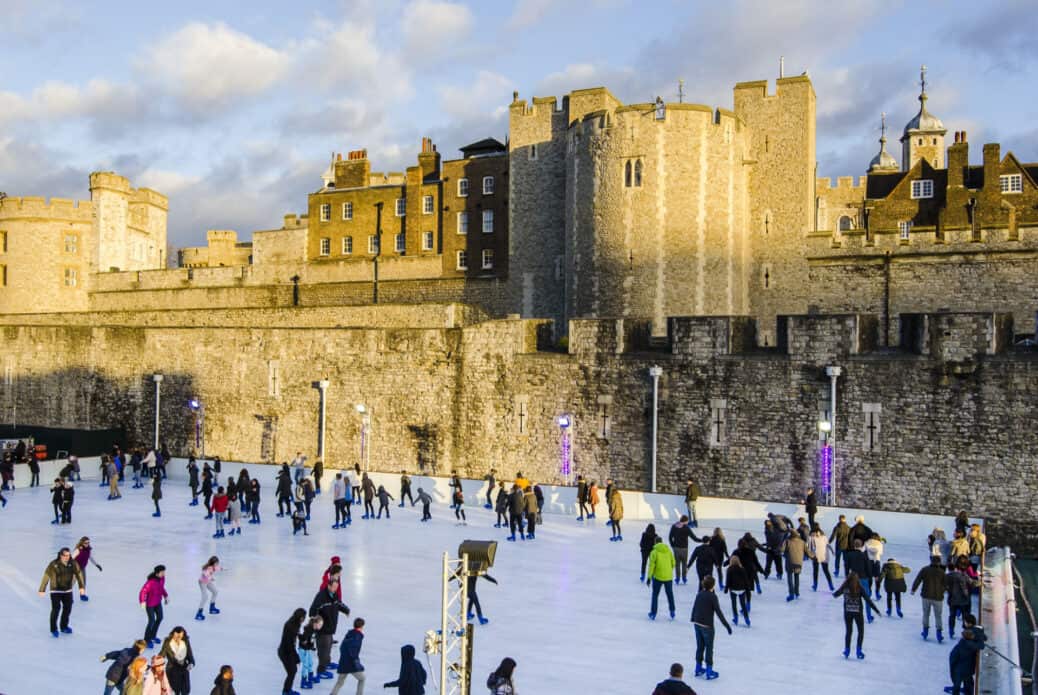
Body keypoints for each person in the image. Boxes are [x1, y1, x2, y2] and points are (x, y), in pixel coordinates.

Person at [690, 576, 732, 680]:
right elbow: (718, 612)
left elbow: (694, 607)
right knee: (709, 648)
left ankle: (698, 668)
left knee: (700, 646)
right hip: (707, 626)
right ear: (713, 585)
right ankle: (709, 671)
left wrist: (693, 619)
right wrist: (727, 626)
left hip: (697, 624)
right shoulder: (713, 597)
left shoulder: (699, 594)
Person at [38, 547, 85, 636]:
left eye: (69, 555)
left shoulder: (73, 563)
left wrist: (81, 587)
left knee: (67, 609)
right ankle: (53, 629)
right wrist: (42, 589)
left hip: (67, 590)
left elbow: (79, 574)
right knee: (56, 609)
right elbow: (46, 576)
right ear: (60, 555)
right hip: (55, 591)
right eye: (65, 555)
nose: (67, 557)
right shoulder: (54, 564)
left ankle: (64, 627)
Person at [833, 571, 880, 659]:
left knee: (849, 631)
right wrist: (876, 610)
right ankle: (858, 651)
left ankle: (847, 650)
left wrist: (833, 593)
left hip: (847, 613)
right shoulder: (859, 588)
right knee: (860, 632)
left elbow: (836, 595)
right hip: (858, 613)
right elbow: (868, 600)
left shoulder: (845, 587)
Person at [309, 579, 351, 677]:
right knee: (323, 650)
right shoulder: (321, 597)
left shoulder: (334, 595)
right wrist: (316, 622)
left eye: (336, 587)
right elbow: (312, 611)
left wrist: (346, 610)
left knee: (328, 647)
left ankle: (327, 663)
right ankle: (321, 670)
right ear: (328, 586)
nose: (335, 589)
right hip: (322, 629)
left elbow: (339, 603)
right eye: (333, 587)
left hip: (330, 627)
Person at [946, 615, 986, 695]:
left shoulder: (964, 643)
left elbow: (954, 656)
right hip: (970, 666)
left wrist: (953, 665)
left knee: (957, 683)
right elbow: (982, 642)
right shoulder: (978, 633)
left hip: (961, 667)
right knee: (968, 682)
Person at [911, 555, 947, 642]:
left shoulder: (925, 569)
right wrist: (942, 591)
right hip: (938, 597)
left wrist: (913, 589)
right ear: (939, 562)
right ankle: (939, 634)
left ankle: (925, 631)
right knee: (938, 616)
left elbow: (918, 579)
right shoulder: (942, 572)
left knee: (926, 614)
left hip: (926, 595)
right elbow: (946, 584)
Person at [330, 617, 366, 695]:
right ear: (361, 626)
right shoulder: (357, 637)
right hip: (351, 664)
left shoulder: (349, 634)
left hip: (343, 662)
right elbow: (353, 652)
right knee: (362, 679)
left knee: (340, 682)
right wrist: (357, 664)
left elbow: (342, 648)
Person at [646, 535, 677, 620]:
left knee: (655, 595)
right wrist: (668, 570)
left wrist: (649, 577)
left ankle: (653, 613)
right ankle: (672, 611)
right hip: (668, 577)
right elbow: (673, 563)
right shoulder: (668, 551)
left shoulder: (654, 552)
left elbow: (651, 566)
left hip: (658, 577)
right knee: (670, 594)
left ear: (655, 542)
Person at [139, 565, 170, 646]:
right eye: (162, 572)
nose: (164, 573)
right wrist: (142, 601)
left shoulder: (162, 579)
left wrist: (166, 596)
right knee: (151, 620)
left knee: (160, 617)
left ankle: (153, 636)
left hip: (158, 602)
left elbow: (161, 588)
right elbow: (143, 591)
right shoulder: (150, 582)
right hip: (150, 604)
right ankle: (146, 639)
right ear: (157, 573)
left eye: (164, 572)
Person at [160, 626, 195, 695]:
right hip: (172, 670)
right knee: (174, 690)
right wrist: (157, 661)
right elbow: (162, 654)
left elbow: (190, 655)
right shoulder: (168, 642)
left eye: (181, 635)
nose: (179, 637)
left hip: (184, 669)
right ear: (173, 634)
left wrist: (191, 664)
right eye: (177, 635)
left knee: (185, 690)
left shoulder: (185, 642)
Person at [945, 556, 974, 639]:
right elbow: (972, 583)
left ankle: (951, 630)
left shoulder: (949, 575)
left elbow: (944, 584)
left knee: (952, 615)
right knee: (965, 616)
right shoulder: (964, 576)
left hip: (952, 599)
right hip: (964, 600)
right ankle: (965, 631)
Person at [279, 608, 306, 695]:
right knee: (292, 671)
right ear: (301, 618)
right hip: (285, 652)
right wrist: (296, 657)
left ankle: (287, 690)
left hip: (287, 651)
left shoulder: (294, 623)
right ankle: (286, 691)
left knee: (292, 671)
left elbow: (297, 634)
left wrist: (302, 638)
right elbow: (289, 645)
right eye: (304, 617)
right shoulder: (291, 626)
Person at [724, 555, 752, 627]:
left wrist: (726, 589)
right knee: (743, 604)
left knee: (734, 604)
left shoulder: (729, 569)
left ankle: (735, 618)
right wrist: (747, 588)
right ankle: (747, 619)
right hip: (742, 589)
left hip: (733, 589)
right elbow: (746, 580)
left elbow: (728, 580)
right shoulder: (742, 569)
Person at [669, 516, 698, 585]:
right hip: (684, 548)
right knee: (684, 564)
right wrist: (702, 540)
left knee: (677, 564)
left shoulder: (674, 526)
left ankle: (677, 578)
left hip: (676, 548)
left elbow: (670, 537)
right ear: (685, 521)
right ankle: (684, 578)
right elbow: (694, 538)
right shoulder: (686, 528)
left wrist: (673, 545)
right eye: (687, 521)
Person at [72, 536, 102, 601]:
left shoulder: (88, 550)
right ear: (82, 543)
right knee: (72, 582)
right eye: (85, 543)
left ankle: (82, 595)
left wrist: (97, 565)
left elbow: (91, 558)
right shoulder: (78, 550)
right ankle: (68, 596)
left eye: (88, 543)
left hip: (82, 568)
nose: (87, 544)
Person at [298, 614, 323, 691]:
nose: (321, 626)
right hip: (303, 650)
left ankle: (310, 678)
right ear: (315, 623)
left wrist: (312, 646)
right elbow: (301, 637)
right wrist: (304, 642)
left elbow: (312, 639)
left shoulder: (314, 630)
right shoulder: (308, 629)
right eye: (320, 624)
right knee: (305, 665)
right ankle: (303, 682)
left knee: (310, 663)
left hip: (308, 649)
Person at [807, 523, 835, 591]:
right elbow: (828, 544)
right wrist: (832, 551)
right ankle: (831, 585)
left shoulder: (811, 536)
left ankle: (815, 585)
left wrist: (808, 554)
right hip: (824, 555)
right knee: (826, 571)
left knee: (815, 571)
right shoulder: (823, 535)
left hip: (815, 555)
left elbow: (809, 546)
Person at [196, 556, 223, 621]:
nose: (217, 565)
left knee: (215, 592)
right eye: (216, 563)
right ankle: (199, 613)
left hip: (208, 582)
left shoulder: (214, 567)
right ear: (213, 563)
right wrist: (211, 578)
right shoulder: (208, 568)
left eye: (217, 563)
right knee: (205, 597)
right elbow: (205, 574)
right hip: (202, 582)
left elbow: (218, 568)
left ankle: (212, 608)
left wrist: (222, 569)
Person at [784, 528, 806, 601]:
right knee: (797, 577)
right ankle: (797, 593)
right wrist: (814, 556)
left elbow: (781, 549)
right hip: (798, 562)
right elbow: (808, 552)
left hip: (789, 562)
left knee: (790, 578)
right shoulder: (802, 542)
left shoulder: (787, 541)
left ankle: (791, 593)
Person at [864, 533, 885, 598]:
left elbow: (863, 551)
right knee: (877, 578)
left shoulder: (867, 542)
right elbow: (881, 553)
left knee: (869, 577)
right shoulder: (880, 544)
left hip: (869, 561)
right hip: (877, 561)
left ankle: (869, 592)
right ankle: (877, 593)